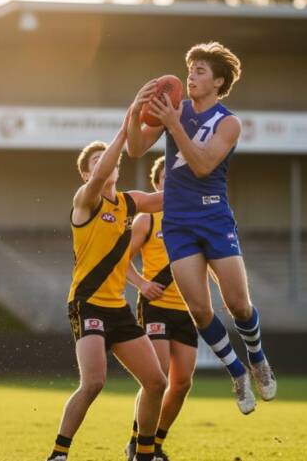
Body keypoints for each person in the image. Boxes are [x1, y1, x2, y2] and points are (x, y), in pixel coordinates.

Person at [125, 41, 276, 415]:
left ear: (218, 81)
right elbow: (135, 149)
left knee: (238, 305)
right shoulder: (174, 109)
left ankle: (257, 358)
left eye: (200, 71)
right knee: (200, 311)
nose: (190, 75)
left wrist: (174, 125)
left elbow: (203, 166)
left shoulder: (229, 122)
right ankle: (238, 373)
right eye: (189, 69)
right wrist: (134, 110)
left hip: (213, 216)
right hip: (178, 222)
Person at [46, 112, 167, 461]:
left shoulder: (129, 202)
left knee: (157, 382)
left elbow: (165, 199)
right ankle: (58, 454)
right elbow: (102, 172)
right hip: (87, 304)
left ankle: (142, 454)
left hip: (118, 309)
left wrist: (195, 161)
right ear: (86, 174)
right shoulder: (86, 200)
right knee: (94, 382)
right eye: (98, 162)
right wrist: (127, 126)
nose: (106, 165)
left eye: (109, 160)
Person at [124, 156, 197, 461]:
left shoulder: (196, 218)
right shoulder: (147, 219)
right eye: (166, 178)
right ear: (157, 184)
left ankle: (156, 443)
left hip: (187, 310)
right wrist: (141, 284)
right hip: (155, 306)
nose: (172, 182)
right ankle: (137, 441)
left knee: (182, 384)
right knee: (158, 377)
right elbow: (120, 259)